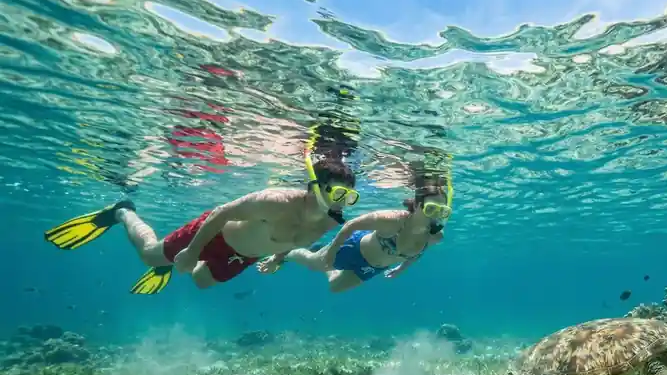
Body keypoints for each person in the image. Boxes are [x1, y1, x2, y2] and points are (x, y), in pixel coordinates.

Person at [43, 130, 360, 295]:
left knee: (201, 281)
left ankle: (175, 264)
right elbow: (222, 212)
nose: (341, 203)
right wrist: (192, 250)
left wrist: (277, 258)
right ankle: (122, 211)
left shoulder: (330, 222)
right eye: (337, 193)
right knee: (151, 255)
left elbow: (295, 239)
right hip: (216, 234)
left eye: (349, 197)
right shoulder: (275, 201)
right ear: (314, 187)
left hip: (246, 255)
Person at [258, 174, 452, 293]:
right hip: (352, 249)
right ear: (417, 205)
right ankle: (282, 255)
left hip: (373, 267)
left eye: (442, 211)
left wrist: (401, 269)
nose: (436, 216)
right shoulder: (392, 220)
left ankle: (326, 262)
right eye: (431, 209)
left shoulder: (435, 236)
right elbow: (351, 225)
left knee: (335, 288)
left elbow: (417, 253)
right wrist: (333, 251)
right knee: (313, 264)